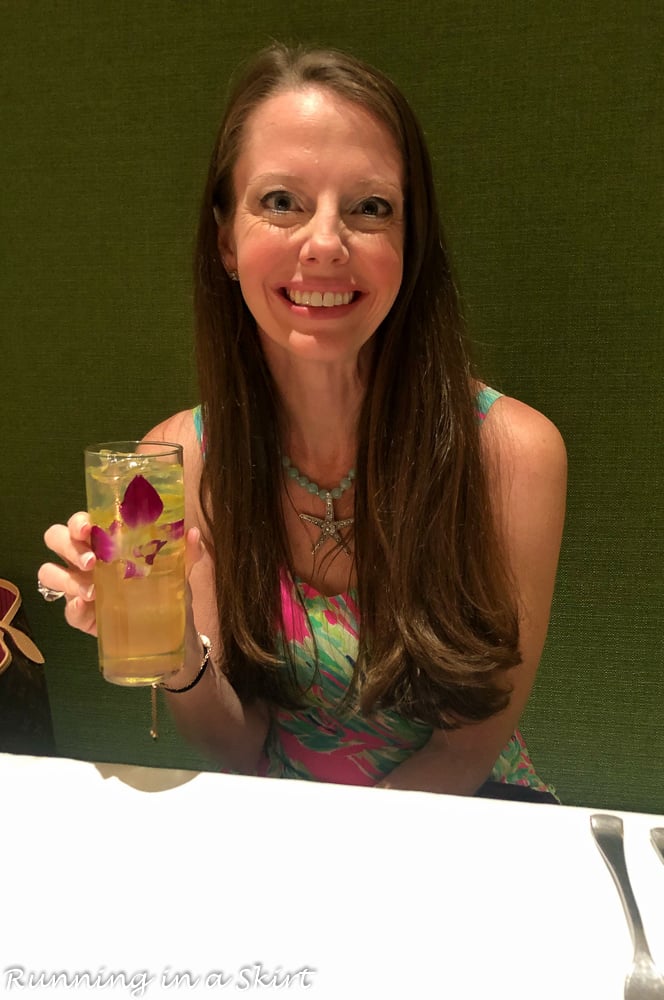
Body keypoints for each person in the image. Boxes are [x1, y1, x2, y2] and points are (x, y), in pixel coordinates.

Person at [39, 43, 567, 799]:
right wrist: (178, 646)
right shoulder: (178, 458)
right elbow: (236, 742)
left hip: (464, 824)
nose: (324, 242)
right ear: (226, 238)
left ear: (408, 243)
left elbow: (465, 751)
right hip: (281, 831)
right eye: (281, 201)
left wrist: (333, 876)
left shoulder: (512, 453)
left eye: (370, 207)